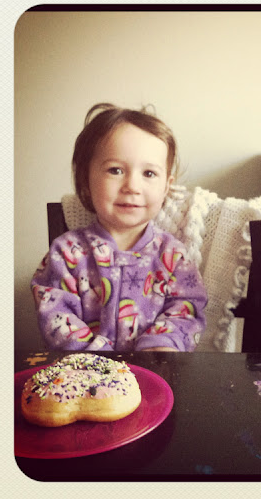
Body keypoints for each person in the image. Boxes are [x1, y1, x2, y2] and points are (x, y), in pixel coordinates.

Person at [31, 103, 207, 351]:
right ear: (86, 180)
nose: (132, 186)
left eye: (149, 174)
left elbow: (187, 308)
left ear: (166, 186)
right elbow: (55, 313)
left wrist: (162, 344)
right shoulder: (66, 253)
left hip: (154, 368)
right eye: (115, 170)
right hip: (86, 369)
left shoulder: (173, 256)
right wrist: (96, 356)